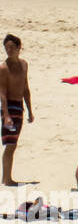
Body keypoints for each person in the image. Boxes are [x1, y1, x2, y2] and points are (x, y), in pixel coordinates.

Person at [1, 34, 33, 186]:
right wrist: (6, 115)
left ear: (19, 48)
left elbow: (25, 88)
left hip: (19, 106)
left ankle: (6, 178)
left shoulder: (24, 65)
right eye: (6, 47)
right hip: (9, 107)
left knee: (13, 143)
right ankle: (7, 179)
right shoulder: (3, 68)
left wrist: (30, 109)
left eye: (12, 47)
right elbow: (1, 92)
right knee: (10, 144)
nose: (9, 50)